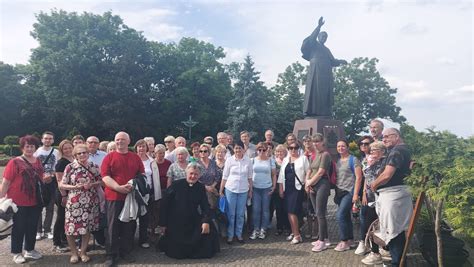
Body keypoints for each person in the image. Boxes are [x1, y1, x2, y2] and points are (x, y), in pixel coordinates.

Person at [368, 128, 413, 267]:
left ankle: (396, 263)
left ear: (396, 136)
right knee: (396, 230)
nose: (384, 139)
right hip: (395, 195)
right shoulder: (404, 149)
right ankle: (397, 261)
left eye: (387, 136)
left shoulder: (397, 151)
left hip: (393, 195)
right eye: (383, 137)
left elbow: (387, 175)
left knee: (394, 231)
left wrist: (374, 185)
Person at [101, 132, 145, 266]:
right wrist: (118, 187)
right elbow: (105, 177)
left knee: (129, 225)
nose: (120, 142)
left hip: (130, 196)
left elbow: (141, 175)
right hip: (113, 196)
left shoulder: (135, 157)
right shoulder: (109, 157)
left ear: (129, 141)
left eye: (123, 140)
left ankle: (126, 251)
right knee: (112, 226)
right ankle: (111, 255)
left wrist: (133, 185)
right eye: (117, 140)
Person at [158, 163, 220, 259]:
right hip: (175, 221)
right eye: (191, 173)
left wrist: (205, 221)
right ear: (186, 173)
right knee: (177, 252)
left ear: (199, 175)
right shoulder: (176, 185)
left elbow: (205, 206)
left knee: (209, 228)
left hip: (192, 218)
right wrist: (163, 224)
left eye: (196, 174)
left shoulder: (200, 187)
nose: (193, 176)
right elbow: (164, 204)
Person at [0, 135, 44, 264]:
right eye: (27, 146)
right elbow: (6, 182)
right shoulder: (14, 162)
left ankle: (30, 250)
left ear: (36, 148)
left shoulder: (37, 161)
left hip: (35, 200)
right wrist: (1, 197)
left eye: (32, 146)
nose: (29, 149)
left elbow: (40, 177)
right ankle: (16, 253)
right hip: (18, 201)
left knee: (32, 226)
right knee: (19, 227)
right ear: (22, 148)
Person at [59, 144, 102, 264]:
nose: (82, 155)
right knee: (70, 229)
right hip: (74, 202)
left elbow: (101, 180)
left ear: (88, 153)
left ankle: (83, 252)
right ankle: (73, 253)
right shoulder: (70, 167)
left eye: (84, 152)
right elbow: (62, 184)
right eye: (79, 153)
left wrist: (92, 185)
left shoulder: (94, 166)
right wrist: (74, 187)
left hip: (90, 201)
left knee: (86, 228)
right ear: (75, 155)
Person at [301, 16, 347, 117]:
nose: (324, 38)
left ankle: (324, 113)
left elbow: (333, 61)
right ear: (318, 37)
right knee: (314, 91)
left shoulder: (326, 50)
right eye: (322, 36)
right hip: (316, 70)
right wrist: (318, 27)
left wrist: (341, 61)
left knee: (324, 94)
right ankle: (312, 112)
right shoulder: (314, 45)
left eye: (325, 37)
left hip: (326, 74)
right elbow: (311, 38)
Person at [219, 140, 253, 244]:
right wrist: (221, 190)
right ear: (234, 149)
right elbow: (224, 176)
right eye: (236, 148)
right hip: (231, 189)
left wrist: (250, 190)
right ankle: (230, 235)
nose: (238, 150)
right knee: (231, 214)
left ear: (244, 149)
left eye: (240, 148)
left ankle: (239, 234)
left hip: (243, 190)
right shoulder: (229, 160)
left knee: (240, 214)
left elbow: (250, 178)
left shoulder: (248, 161)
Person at [361, 141, 387, 265]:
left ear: (382, 152)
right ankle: (374, 252)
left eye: (375, 150)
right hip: (370, 198)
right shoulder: (367, 161)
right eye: (371, 150)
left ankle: (385, 251)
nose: (372, 152)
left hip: (382, 199)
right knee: (369, 225)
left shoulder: (385, 162)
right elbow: (366, 178)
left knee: (384, 226)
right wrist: (364, 193)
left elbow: (379, 178)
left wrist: (374, 164)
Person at [333, 140, 363, 252]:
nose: (341, 148)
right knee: (345, 216)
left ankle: (344, 241)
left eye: (343, 146)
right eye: (338, 146)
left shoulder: (353, 159)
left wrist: (355, 194)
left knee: (340, 215)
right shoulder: (338, 161)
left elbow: (359, 177)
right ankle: (350, 239)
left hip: (349, 191)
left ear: (347, 147)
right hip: (339, 191)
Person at [278, 141, 310, 244]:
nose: (293, 150)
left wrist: (306, 183)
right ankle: (295, 232)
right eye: (290, 148)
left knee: (292, 211)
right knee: (289, 211)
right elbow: (281, 175)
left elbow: (308, 171)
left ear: (298, 149)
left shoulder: (303, 159)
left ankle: (296, 235)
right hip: (287, 188)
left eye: (295, 148)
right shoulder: (286, 159)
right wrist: (281, 188)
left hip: (298, 188)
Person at [305, 134, 332, 252]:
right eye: (314, 142)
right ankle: (324, 238)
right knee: (317, 213)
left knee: (320, 213)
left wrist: (310, 182)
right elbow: (310, 169)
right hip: (313, 186)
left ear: (322, 142)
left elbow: (321, 172)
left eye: (318, 142)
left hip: (322, 185)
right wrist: (307, 182)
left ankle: (322, 241)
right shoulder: (314, 155)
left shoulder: (325, 155)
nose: (316, 144)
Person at [34, 131, 59, 241]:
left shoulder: (56, 152)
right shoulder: (36, 151)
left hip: (52, 182)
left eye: (50, 138)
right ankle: (38, 230)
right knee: (38, 207)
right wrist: (41, 176)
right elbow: (32, 166)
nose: (48, 140)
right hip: (39, 182)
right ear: (42, 140)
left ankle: (48, 230)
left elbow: (57, 168)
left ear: (53, 140)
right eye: (46, 138)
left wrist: (51, 175)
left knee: (50, 207)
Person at [249, 142, 276, 240]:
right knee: (256, 210)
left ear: (266, 150)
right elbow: (250, 175)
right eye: (259, 150)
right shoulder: (252, 160)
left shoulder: (270, 161)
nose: (261, 152)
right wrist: (250, 188)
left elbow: (274, 174)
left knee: (265, 210)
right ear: (256, 150)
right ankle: (256, 229)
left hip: (266, 187)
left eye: (263, 150)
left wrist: (274, 186)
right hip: (255, 187)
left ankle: (263, 229)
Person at [52, 140, 74, 253]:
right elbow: (59, 181)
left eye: (69, 147)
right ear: (61, 150)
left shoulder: (74, 160)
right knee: (61, 217)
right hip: (63, 193)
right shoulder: (61, 163)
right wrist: (64, 196)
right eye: (65, 148)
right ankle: (57, 242)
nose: (68, 150)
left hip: (73, 193)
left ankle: (64, 238)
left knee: (68, 218)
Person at [355, 135, 375, 255]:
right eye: (361, 144)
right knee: (364, 217)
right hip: (366, 192)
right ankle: (363, 241)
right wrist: (362, 193)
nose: (363, 145)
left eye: (366, 144)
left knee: (370, 218)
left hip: (375, 193)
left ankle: (370, 244)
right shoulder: (363, 159)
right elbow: (365, 179)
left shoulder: (376, 158)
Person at [134, 139, 154, 248]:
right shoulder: (132, 159)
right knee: (132, 216)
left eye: (143, 146)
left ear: (147, 148)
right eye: (139, 146)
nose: (141, 148)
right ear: (136, 148)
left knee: (145, 216)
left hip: (147, 192)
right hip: (134, 191)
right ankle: (130, 240)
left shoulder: (151, 161)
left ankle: (143, 239)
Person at [270, 144, 290, 236]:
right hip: (276, 188)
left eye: (281, 151)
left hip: (287, 187)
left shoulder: (288, 161)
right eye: (277, 151)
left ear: (285, 152)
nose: (279, 153)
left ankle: (287, 227)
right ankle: (279, 227)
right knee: (278, 209)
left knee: (286, 208)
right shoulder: (273, 162)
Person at [197, 144, 219, 210]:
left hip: (212, 189)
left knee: (212, 208)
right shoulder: (196, 163)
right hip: (200, 189)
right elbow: (194, 178)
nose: (203, 153)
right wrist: (205, 187)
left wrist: (212, 186)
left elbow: (217, 176)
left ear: (209, 152)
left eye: (205, 151)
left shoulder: (213, 163)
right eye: (201, 151)